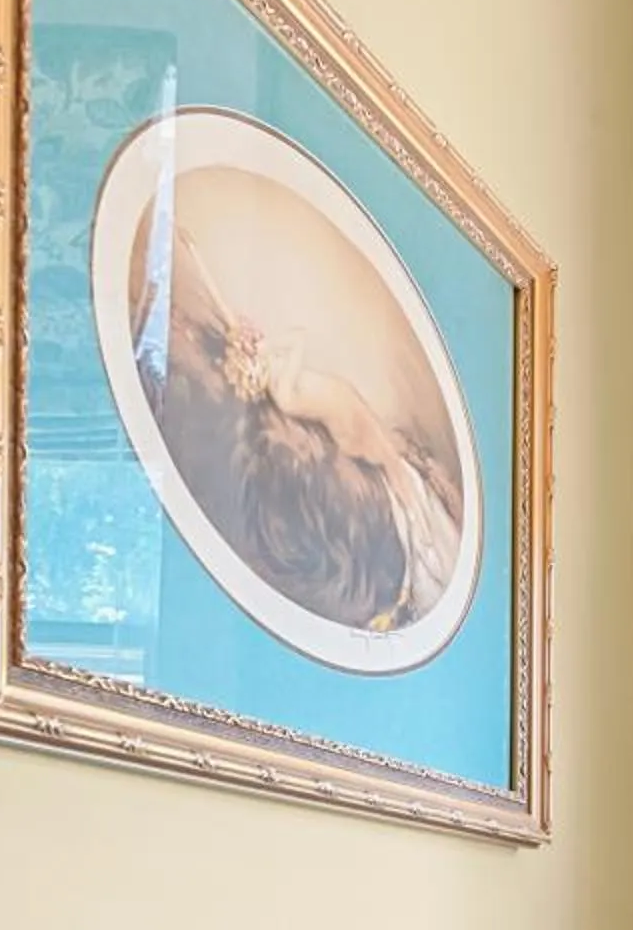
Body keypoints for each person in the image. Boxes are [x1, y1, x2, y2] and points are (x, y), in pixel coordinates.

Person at [141, 220, 463, 636]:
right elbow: (294, 344)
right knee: (399, 479)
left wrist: (257, 344)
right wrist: (265, 350)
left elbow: (290, 343)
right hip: (353, 428)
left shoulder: (285, 393)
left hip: (354, 425)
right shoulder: (287, 395)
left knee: (401, 480)